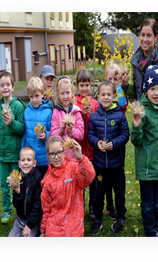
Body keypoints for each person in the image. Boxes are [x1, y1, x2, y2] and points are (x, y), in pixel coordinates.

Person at [123, 18, 158, 234]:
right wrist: (126, 86)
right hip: (142, 120)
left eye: (149, 35)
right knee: (148, 166)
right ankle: (152, 214)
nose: (145, 39)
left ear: (156, 37)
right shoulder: (135, 60)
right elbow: (135, 94)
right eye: (142, 35)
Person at [130, 65, 158, 237]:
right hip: (146, 168)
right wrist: (137, 126)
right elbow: (136, 141)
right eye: (152, 88)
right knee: (147, 203)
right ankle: (149, 231)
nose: (156, 93)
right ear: (145, 90)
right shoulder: (142, 110)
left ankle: (154, 225)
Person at [88, 80, 129, 235]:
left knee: (119, 192)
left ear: (114, 97)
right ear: (98, 97)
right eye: (103, 94)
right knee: (99, 194)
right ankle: (97, 219)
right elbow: (90, 135)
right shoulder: (93, 117)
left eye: (109, 94)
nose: (106, 97)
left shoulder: (119, 115)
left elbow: (125, 135)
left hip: (116, 165)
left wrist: (114, 143)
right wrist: (96, 142)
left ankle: (121, 217)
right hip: (100, 165)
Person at [0, 71, 27, 224]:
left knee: (17, 183)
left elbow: (22, 128)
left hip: (15, 154)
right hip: (3, 155)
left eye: (7, 85)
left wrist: (11, 123)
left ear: (13, 87)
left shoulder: (17, 106)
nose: (5, 88)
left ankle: (20, 209)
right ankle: (6, 210)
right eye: (2, 85)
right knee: (5, 184)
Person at [40, 135, 95, 237]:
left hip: (73, 220)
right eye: (52, 154)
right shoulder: (48, 179)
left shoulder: (74, 167)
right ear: (48, 155)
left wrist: (80, 157)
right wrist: (43, 230)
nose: (56, 157)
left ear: (64, 152)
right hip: (55, 222)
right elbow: (46, 208)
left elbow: (89, 177)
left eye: (59, 152)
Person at [74, 68, 99, 220]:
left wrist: (92, 114)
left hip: (92, 151)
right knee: (80, 181)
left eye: (87, 85)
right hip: (79, 152)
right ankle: (80, 206)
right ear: (77, 86)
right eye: (81, 85)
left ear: (91, 86)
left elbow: (97, 124)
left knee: (94, 181)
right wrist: (82, 115)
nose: (84, 88)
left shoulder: (95, 103)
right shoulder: (74, 103)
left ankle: (93, 206)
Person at [8, 146, 43, 237]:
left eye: (29, 160)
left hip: (33, 222)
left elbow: (38, 206)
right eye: (23, 160)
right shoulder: (17, 178)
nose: (26, 163)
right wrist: (18, 192)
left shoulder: (38, 178)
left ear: (34, 163)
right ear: (19, 164)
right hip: (20, 219)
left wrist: (30, 225)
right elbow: (16, 204)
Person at [21, 76, 52, 177]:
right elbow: (25, 134)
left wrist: (45, 135)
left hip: (44, 160)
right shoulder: (26, 112)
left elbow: (52, 132)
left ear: (43, 94)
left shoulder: (48, 112)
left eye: (37, 96)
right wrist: (22, 154)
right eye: (31, 96)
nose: (34, 100)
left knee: (44, 188)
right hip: (30, 161)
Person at [50, 76, 84, 160]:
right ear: (58, 94)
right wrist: (61, 130)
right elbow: (52, 135)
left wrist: (71, 130)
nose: (65, 96)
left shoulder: (76, 112)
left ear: (72, 93)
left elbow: (81, 135)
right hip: (60, 157)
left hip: (74, 156)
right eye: (62, 93)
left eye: (68, 92)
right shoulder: (56, 112)